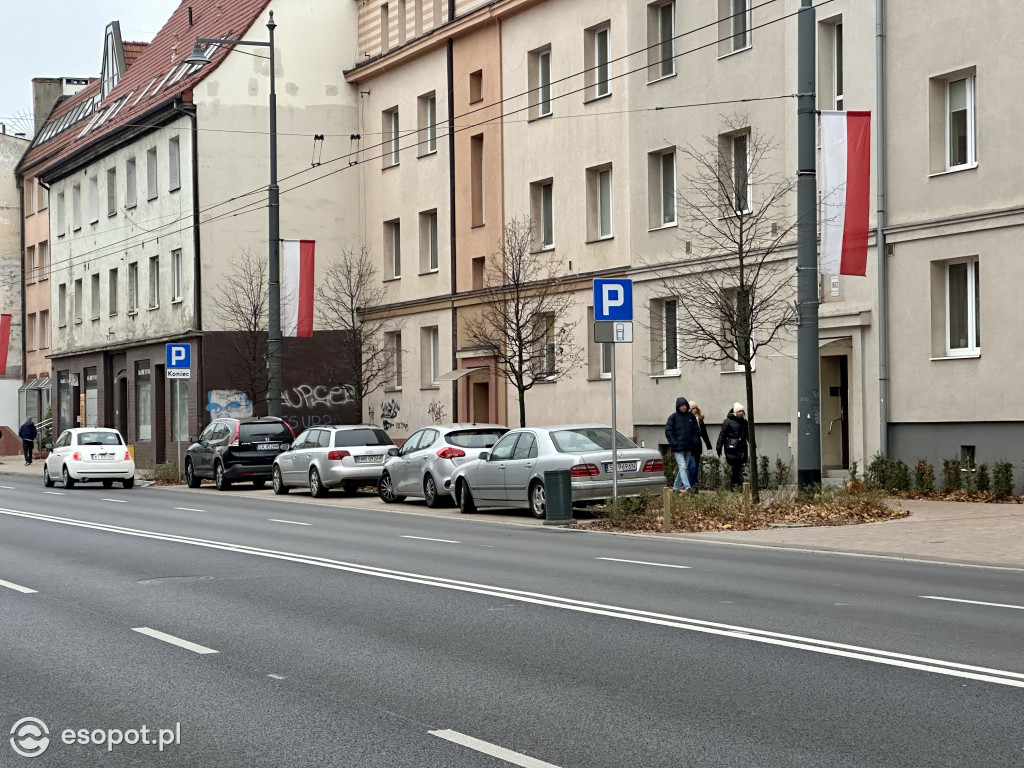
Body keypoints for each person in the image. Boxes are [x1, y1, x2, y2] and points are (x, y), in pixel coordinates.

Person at [665, 397, 700, 493]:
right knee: (683, 467)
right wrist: (674, 443)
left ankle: (676, 488)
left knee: (682, 469)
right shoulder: (673, 417)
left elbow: (696, 430)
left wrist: (695, 440)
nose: (683, 407)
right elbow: (668, 431)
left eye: (684, 405)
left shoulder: (691, 417)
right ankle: (688, 487)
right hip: (678, 448)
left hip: (688, 447)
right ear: (678, 407)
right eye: (681, 406)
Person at [716, 403, 749, 491]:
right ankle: (736, 486)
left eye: (742, 411)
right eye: (739, 411)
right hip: (732, 447)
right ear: (735, 412)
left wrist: (753, 444)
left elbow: (748, 434)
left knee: (738, 467)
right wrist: (719, 447)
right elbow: (722, 435)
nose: (741, 413)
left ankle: (735, 486)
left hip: (742, 447)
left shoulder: (744, 422)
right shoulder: (728, 422)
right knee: (736, 467)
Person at [687, 402, 713, 489]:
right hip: (689, 447)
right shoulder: (687, 419)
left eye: (696, 409)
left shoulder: (699, 420)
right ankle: (692, 485)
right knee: (692, 466)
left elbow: (704, 433)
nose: (695, 410)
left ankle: (694, 485)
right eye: (693, 409)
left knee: (696, 467)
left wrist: (708, 445)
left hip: (697, 446)